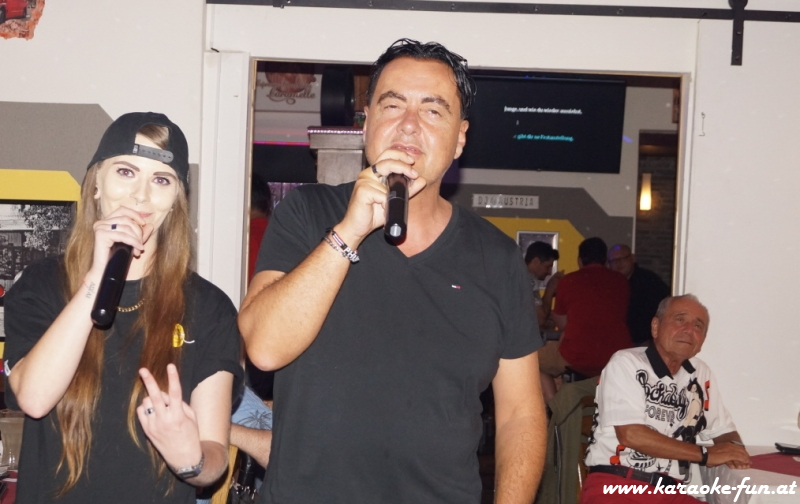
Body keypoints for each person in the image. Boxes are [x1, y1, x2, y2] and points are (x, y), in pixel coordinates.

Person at [239, 39, 547, 504]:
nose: (409, 124)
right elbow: (263, 348)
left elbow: (521, 412)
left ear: (460, 138)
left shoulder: (497, 257)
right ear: (366, 123)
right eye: (392, 104)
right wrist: (349, 231)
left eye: (432, 110)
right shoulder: (307, 213)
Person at [3, 112, 243, 503]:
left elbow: (214, 458)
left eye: (161, 180)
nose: (141, 196)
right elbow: (34, 397)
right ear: (96, 183)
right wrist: (95, 278)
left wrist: (190, 460)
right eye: (126, 172)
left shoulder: (209, 307)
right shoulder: (41, 285)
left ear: (176, 201)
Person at [581, 294, 751, 503]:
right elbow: (631, 435)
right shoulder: (627, 363)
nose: (688, 329)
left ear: (702, 341)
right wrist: (706, 455)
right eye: (680, 319)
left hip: (671, 492)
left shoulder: (701, 373)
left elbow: (723, 431)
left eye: (698, 326)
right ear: (655, 327)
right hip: (617, 485)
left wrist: (734, 450)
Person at [540, 237, 631, 402]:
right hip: (617, 354)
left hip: (577, 354)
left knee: (530, 361)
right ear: (605, 260)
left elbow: (562, 323)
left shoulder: (568, 281)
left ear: (580, 260)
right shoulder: (621, 281)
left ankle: (555, 408)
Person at [608, 244, 671, 346]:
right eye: (613, 261)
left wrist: (653, 338)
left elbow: (665, 308)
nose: (618, 264)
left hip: (644, 341)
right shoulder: (608, 284)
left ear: (633, 258)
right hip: (618, 341)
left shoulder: (649, 281)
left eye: (622, 259)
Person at [524, 241, 563, 329]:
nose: (549, 272)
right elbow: (540, 319)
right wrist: (550, 289)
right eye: (547, 266)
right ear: (536, 261)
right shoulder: (529, 279)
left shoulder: (518, 275)